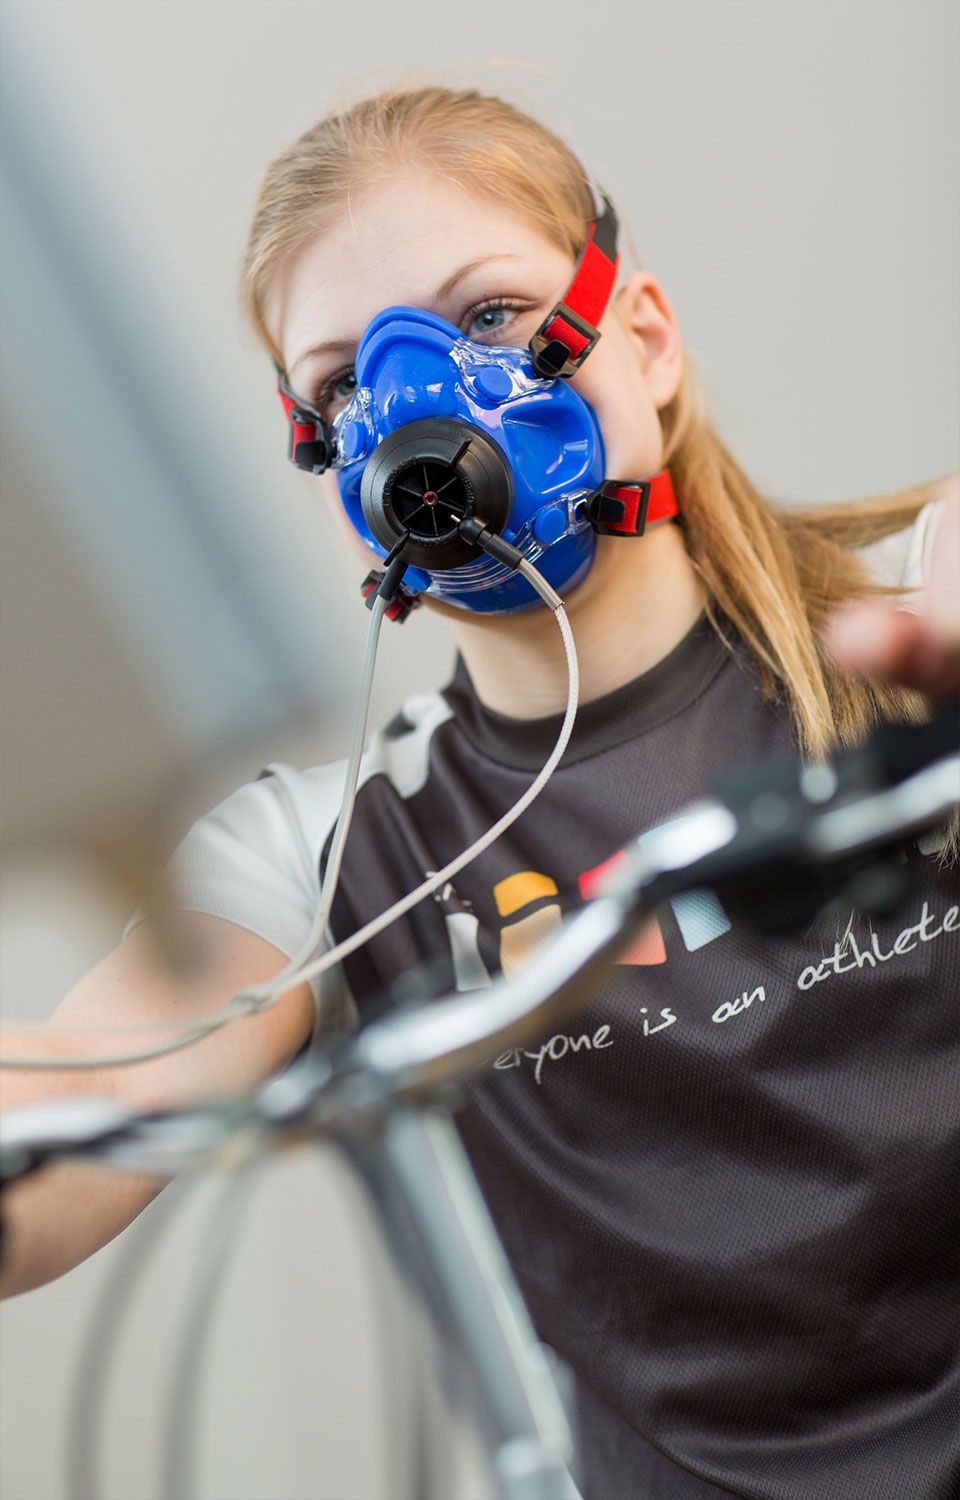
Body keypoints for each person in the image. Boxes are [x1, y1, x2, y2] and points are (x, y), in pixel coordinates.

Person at [2, 85, 958, 1500]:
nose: (420, 396)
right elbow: (60, 1136)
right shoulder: (331, 858)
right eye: (342, 383)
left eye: (491, 316)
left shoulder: (916, 627)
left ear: (643, 338)